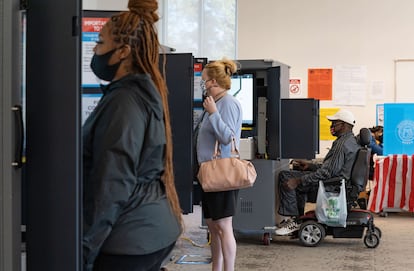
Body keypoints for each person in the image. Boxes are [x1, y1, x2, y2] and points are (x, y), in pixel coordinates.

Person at [82, 1, 183, 270]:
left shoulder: (124, 102)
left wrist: (84, 250)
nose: (94, 49)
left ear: (123, 51)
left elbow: (112, 182)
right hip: (151, 231)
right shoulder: (142, 93)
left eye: (100, 43)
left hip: (129, 240)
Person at [275, 109, 360, 235]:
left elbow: (327, 172)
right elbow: (333, 167)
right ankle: (296, 219)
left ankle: (294, 221)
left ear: (344, 125)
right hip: (338, 182)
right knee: (296, 177)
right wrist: (310, 166)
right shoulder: (350, 141)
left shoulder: (342, 144)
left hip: (331, 185)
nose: (332, 126)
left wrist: (298, 181)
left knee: (287, 176)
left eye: (334, 123)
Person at [196, 59, 242, 271]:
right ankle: (217, 267)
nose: (203, 84)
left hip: (222, 173)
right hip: (208, 173)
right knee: (213, 227)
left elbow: (227, 137)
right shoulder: (212, 103)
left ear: (213, 81)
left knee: (224, 226)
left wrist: (214, 114)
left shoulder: (228, 104)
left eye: (204, 81)